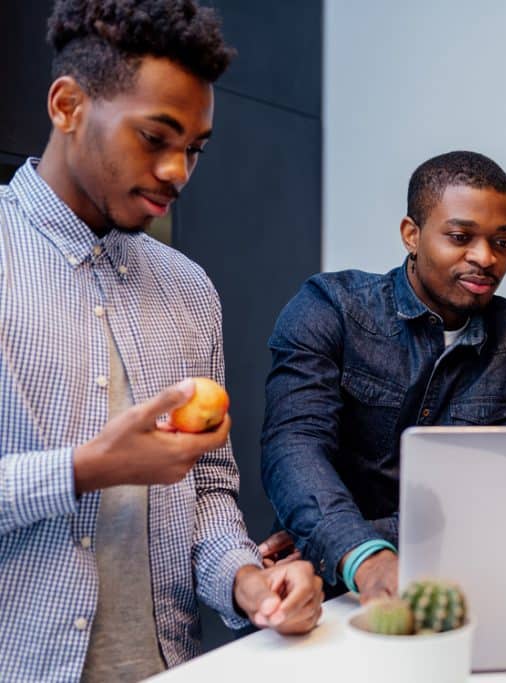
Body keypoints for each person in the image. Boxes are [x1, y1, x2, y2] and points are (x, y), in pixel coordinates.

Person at [0, 2, 322, 680]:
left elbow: (205, 490)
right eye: (156, 137)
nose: (179, 170)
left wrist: (244, 579)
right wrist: (86, 466)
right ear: (68, 105)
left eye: (195, 148)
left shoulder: (189, 290)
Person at [260, 151, 506, 602]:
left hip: (447, 584)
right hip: (316, 587)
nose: (485, 258)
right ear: (411, 235)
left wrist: (361, 542)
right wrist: (359, 555)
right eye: (460, 236)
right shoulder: (329, 308)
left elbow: (502, 495)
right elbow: (293, 445)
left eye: (502, 242)